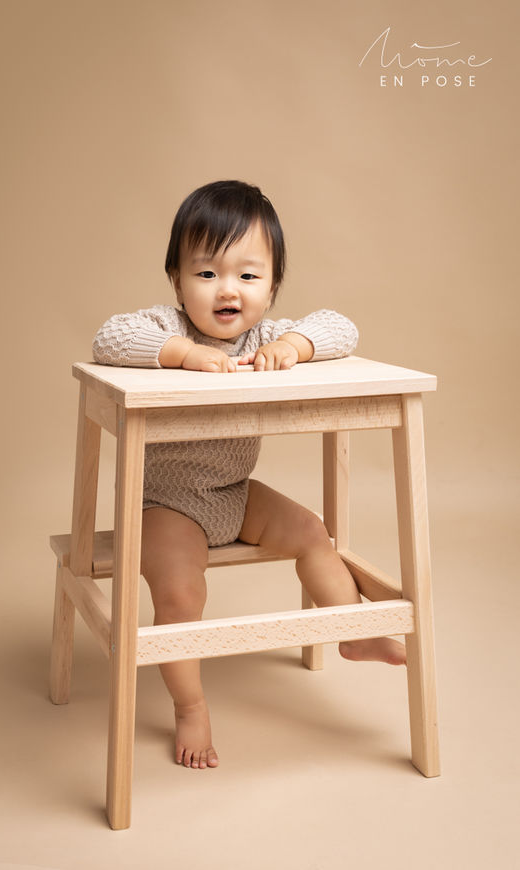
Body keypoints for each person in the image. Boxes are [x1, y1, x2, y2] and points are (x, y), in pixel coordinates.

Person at [92, 180, 406, 771]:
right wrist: (182, 355)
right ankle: (190, 706)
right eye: (206, 274)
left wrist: (297, 343)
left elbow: (342, 326)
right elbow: (108, 337)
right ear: (177, 282)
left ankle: (353, 631)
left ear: (272, 286)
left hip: (234, 495)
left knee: (313, 532)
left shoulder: (265, 337)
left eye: (247, 275)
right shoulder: (167, 327)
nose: (226, 289)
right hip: (166, 503)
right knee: (181, 596)